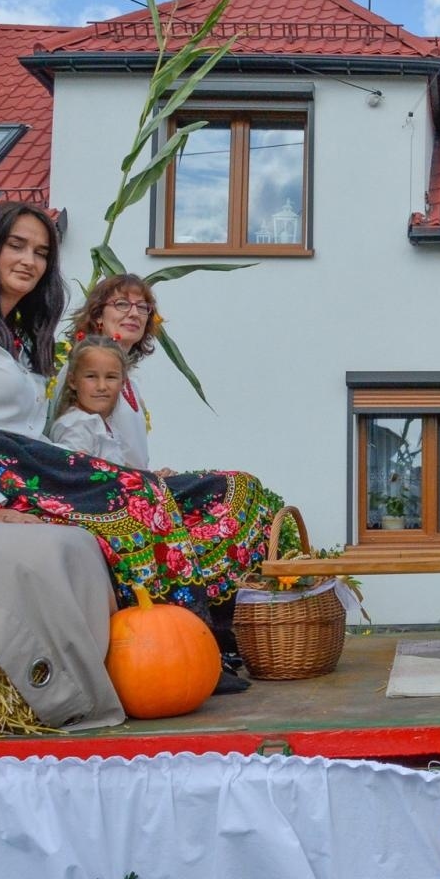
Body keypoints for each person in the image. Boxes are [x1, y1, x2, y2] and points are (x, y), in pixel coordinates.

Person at [0, 203, 255, 690]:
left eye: (40, 252)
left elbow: (39, 433)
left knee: (225, 492)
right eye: (15, 245)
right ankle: (185, 646)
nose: (29, 261)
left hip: (21, 458)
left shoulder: (15, 338)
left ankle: (215, 643)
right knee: (138, 502)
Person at [62, 274, 286, 668]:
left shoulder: (127, 384)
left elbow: (121, 452)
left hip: (141, 488)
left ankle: (216, 629)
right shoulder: (78, 371)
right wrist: (142, 482)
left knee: (241, 494)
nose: (134, 314)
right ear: (97, 315)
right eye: (121, 305)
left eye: (142, 308)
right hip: (115, 499)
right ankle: (205, 634)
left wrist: (150, 474)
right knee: (233, 487)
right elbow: (81, 453)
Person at [48, 335, 130, 462]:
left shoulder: (104, 425)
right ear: (73, 381)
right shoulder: (79, 424)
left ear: (122, 383)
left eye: (111, 377)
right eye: (91, 376)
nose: (102, 386)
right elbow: (75, 473)